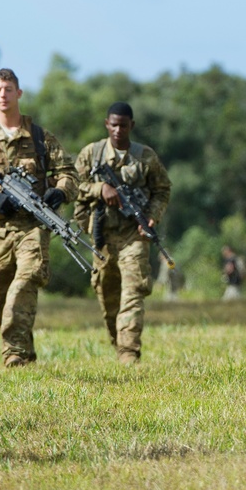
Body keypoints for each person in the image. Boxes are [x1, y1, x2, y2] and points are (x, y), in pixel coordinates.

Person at [0, 68, 78, 368]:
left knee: (24, 283)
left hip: (33, 228)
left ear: (19, 93)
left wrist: (60, 192)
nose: (3, 95)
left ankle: (12, 353)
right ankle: (24, 355)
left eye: (9, 89)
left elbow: (69, 173)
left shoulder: (39, 137)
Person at [73, 102, 172, 364]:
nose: (118, 130)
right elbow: (71, 185)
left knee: (133, 292)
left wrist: (151, 217)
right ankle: (119, 342)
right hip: (101, 238)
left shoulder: (145, 156)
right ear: (107, 124)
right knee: (109, 299)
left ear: (132, 126)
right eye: (113, 125)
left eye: (123, 125)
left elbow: (162, 190)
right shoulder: (91, 154)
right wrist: (99, 190)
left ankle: (128, 353)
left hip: (133, 236)